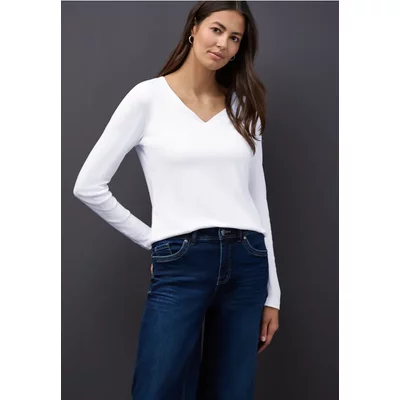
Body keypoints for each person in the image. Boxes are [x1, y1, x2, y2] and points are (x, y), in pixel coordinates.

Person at [73, 1, 281, 399]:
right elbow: (89, 185)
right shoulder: (148, 98)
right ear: (194, 28)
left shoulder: (244, 108)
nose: (223, 44)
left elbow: (259, 201)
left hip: (247, 261)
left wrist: (274, 293)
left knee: (231, 392)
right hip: (182, 262)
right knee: (157, 389)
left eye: (234, 38)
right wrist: (155, 240)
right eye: (216, 29)